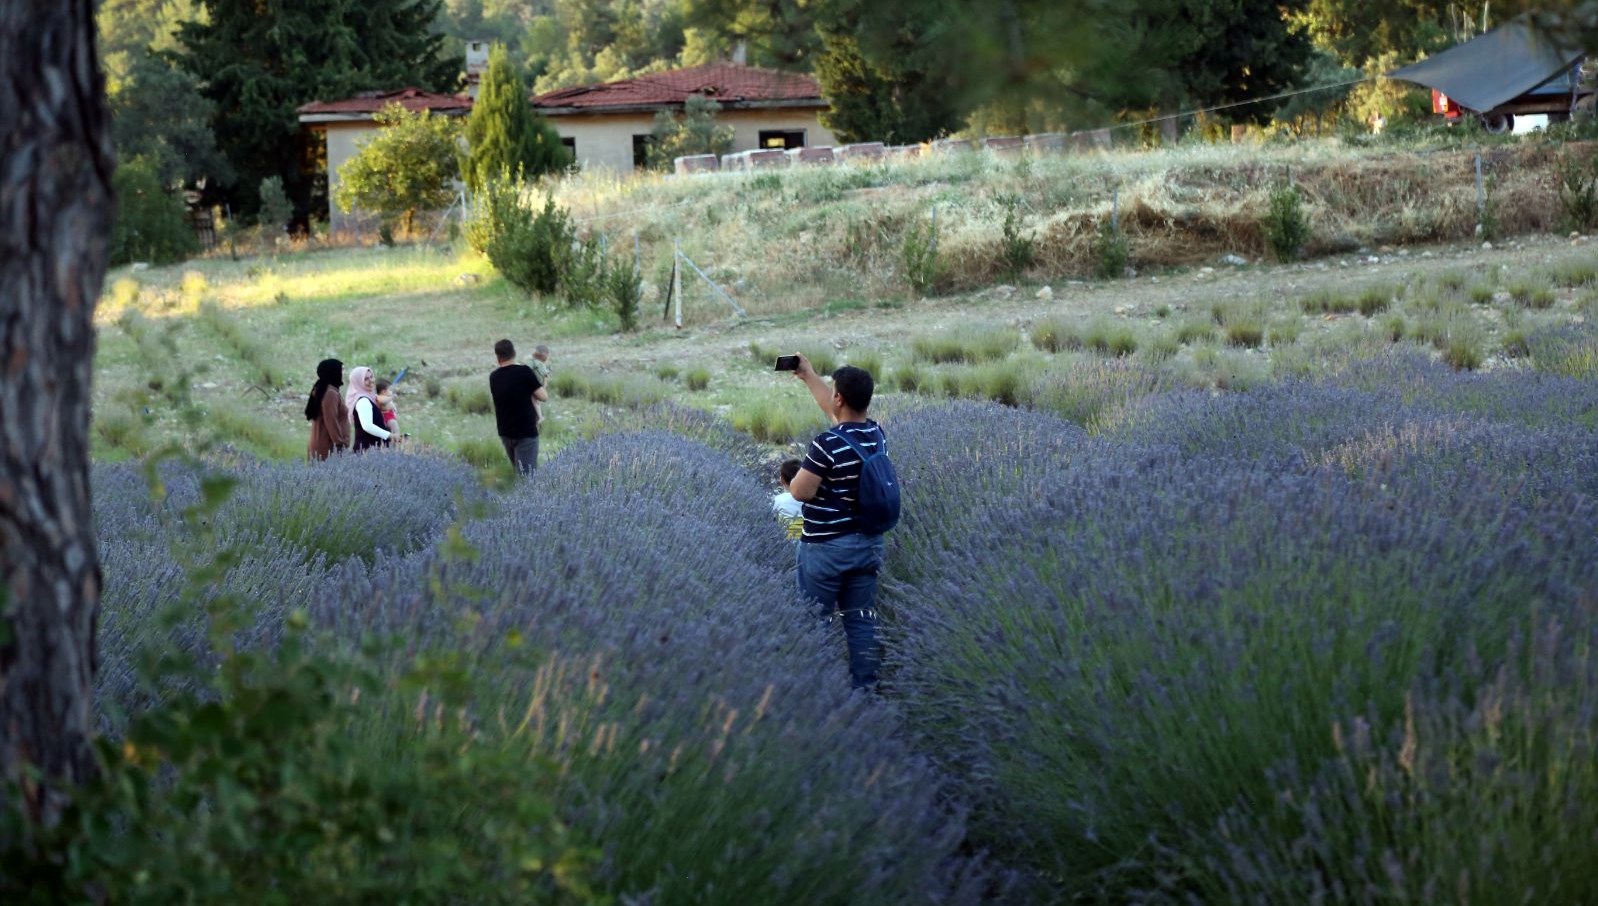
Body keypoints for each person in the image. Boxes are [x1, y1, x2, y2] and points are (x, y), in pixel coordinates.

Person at [786, 356, 888, 690]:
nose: (830, 396)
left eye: (833, 391)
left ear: (839, 399)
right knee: (860, 622)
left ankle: (816, 693)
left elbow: (800, 492)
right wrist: (808, 376)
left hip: (827, 550)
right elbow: (836, 416)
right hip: (867, 545)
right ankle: (865, 692)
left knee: (814, 623)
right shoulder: (875, 434)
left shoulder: (826, 444)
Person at [488, 339, 548, 475]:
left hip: (505, 432)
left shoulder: (494, 377)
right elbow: (543, 396)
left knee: (518, 472)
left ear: (498, 357)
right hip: (525, 432)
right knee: (527, 479)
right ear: (514, 353)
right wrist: (545, 381)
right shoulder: (524, 372)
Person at [305, 358, 349, 461]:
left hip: (322, 443)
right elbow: (331, 420)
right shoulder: (330, 393)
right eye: (341, 370)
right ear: (333, 372)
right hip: (327, 447)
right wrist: (339, 444)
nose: (343, 373)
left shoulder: (325, 389)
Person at [345, 365, 393, 452]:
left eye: (371, 376)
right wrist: (390, 435)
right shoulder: (362, 400)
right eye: (366, 379)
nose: (371, 380)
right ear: (358, 382)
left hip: (373, 451)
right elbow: (367, 426)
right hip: (366, 452)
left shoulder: (371, 397)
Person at [772, 458, 804, 541]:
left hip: (785, 543)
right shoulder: (809, 499)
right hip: (808, 542)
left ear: (781, 480)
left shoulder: (778, 500)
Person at [530, 344, 552, 427]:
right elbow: (546, 376)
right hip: (535, 386)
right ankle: (540, 417)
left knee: (535, 402)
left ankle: (539, 417)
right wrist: (544, 388)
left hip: (533, 387)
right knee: (536, 402)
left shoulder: (533, 362)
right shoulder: (539, 364)